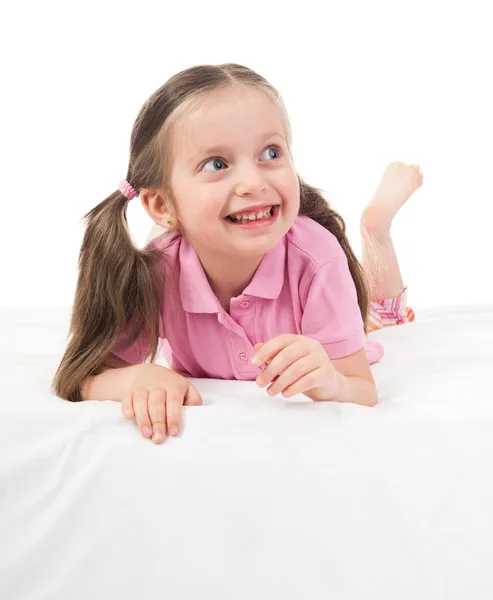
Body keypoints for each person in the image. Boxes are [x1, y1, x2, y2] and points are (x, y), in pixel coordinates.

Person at [52, 64, 420, 444]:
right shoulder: (157, 272)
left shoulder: (319, 258)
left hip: (337, 295)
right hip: (176, 233)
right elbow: (84, 376)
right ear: (160, 204)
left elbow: (362, 388)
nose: (254, 182)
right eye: (217, 164)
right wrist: (138, 376)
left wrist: (330, 381)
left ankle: (375, 227)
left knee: (384, 315)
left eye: (271, 152)